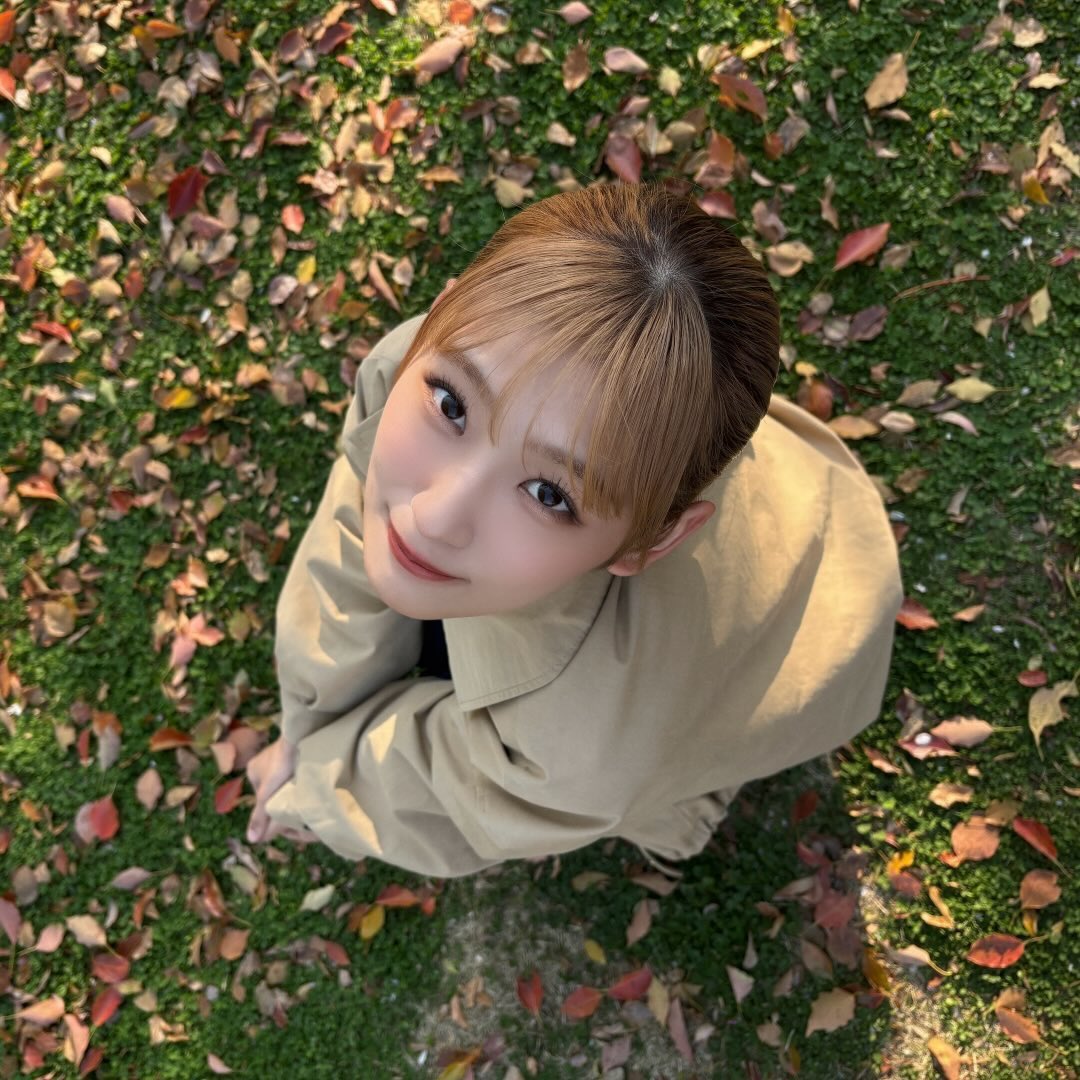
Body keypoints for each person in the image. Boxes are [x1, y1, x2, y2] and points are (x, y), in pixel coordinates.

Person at [244, 181, 904, 878]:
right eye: (451, 407)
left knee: (612, 789)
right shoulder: (460, 354)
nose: (434, 515)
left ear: (652, 542)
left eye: (548, 494)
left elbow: (456, 802)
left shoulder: (584, 746)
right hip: (779, 496)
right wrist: (306, 729)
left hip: (812, 626)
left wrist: (308, 786)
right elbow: (348, 542)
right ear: (439, 313)